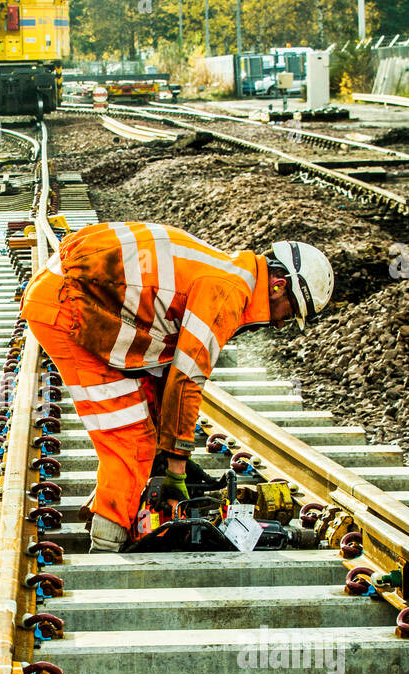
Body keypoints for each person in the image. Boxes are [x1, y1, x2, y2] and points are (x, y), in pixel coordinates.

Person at [21, 223, 334, 552]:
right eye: (289, 313)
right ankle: (106, 550)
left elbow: (165, 370)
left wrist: (166, 444)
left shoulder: (230, 273)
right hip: (70, 307)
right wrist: (176, 468)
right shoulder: (228, 292)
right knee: (131, 441)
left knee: (147, 430)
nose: (280, 323)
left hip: (81, 294)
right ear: (279, 286)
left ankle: (118, 511)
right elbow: (187, 380)